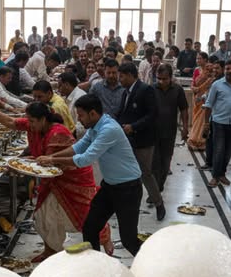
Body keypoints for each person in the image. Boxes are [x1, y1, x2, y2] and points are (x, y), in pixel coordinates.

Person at [0, 100, 112, 259]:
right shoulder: (35, 126)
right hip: (52, 180)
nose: (29, 124)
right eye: (28, 120)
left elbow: (48, 163)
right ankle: (51, 250)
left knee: (84, 214)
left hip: (72, 179)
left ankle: (105, 236)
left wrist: (21, 165)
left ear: (43, 119)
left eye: (32, 121)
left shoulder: (57, 133)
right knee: (43, 214)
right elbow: (12, 123)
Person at [38, 94, 143, 256]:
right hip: (110, 186)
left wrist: (52, 159)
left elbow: (85, 159)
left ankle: (151, 264)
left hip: (128, 188)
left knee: (128, 240)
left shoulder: (109, 130)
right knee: (90, 228)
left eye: (81, 115)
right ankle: (95, 264)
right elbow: (78, 147)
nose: (79, 120)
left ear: (93, 113)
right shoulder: (94, 127)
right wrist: (51, 157)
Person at [116, 62, 164, 220]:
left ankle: (159, 203)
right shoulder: (125, 92)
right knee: (125, 172)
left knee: (145, 173)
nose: (119, 79)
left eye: (122, 76)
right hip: (127, 139)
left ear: (130, 75)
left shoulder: (145, 89)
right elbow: (122, 113)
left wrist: (133, 126)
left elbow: (152, 114)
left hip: (143, 140)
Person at [153, 63, 189, 192]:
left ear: (171, 77)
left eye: (164, 79)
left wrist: (185, 127)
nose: (161, 82)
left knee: (166, 161)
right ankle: (155, 191)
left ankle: (159, 186)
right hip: (153, 132)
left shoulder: (177, 90)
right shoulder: (151, 89)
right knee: (154, 163)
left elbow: (184, 109)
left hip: (169, 132)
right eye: (159, 78)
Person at [203, 60, 231, 187]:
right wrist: (206, 124)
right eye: (227, 69)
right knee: (219, 150)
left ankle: (222, 174)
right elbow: (208, 105)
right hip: (218, 122)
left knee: (228, 151)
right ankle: (215, 176)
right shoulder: (217, 85)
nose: (229, 71)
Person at [187, 52, 213, 152]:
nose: (197, 60)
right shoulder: (196, 70)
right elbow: (193, 82)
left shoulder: (209, 69)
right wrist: (193, 88)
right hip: (196, 96)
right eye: (197, 58)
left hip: (205, 97)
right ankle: (195, 138)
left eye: (200, 58)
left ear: (205, 59)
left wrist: (199, 89)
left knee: (202, 119)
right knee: (196, 118)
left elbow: (210, 81)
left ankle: (200, 140)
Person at [58, 72, 87, 137]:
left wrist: (66, 135)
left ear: (67, 85)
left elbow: (82, 126)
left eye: (60, 85)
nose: (58, 89)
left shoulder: (79, 98)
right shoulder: (67, 95)